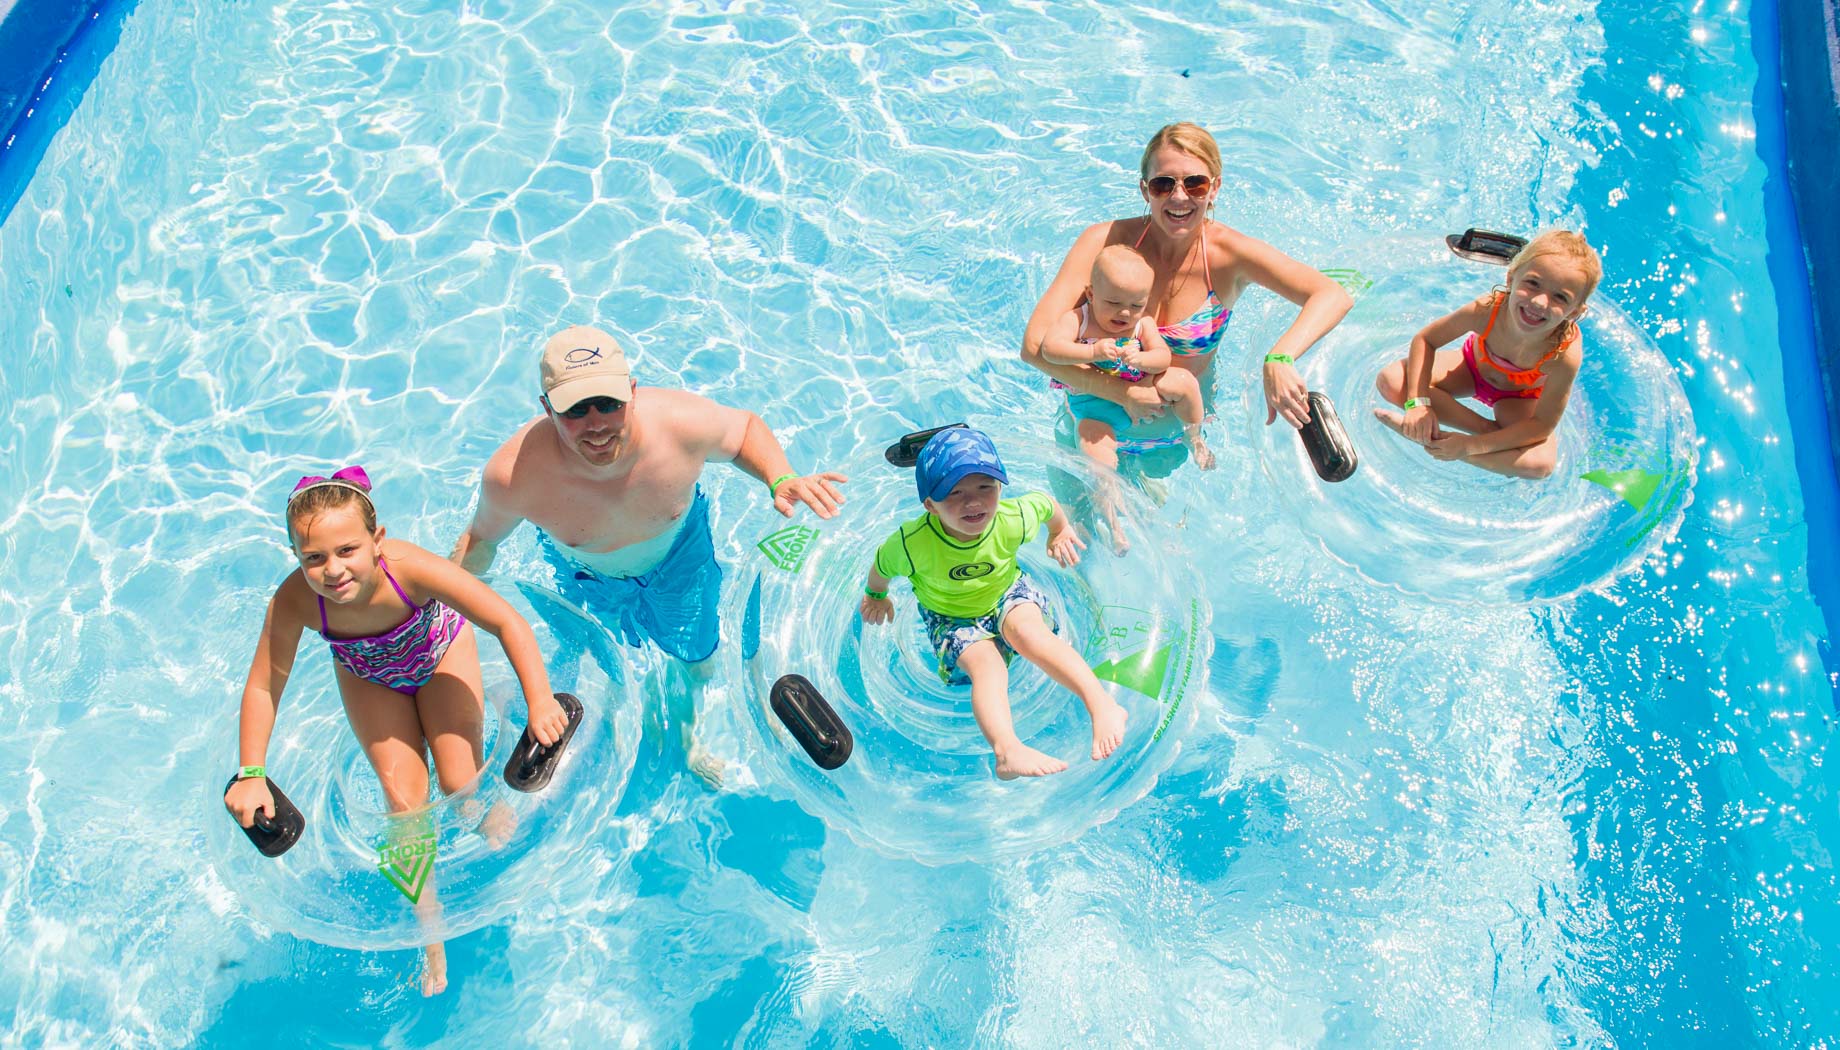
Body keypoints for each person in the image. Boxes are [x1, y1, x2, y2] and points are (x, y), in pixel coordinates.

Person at [224, 466, 570, 998]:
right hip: (369, 675)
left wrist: (540, 700)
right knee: (402, 807)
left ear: (376, 540)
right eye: (313, 558)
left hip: (437, 654)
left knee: (460, 790)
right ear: (296, 556)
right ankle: (431, 935)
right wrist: (252, 772)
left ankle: (490, 722)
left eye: (346, 550)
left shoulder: (408, 569)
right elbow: (264, 685)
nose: (332, 570)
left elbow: (506, 622)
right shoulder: (295, 599)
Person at [450, 325, 847, 784]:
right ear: (546, 408)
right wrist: (434, 608)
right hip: (586, 572)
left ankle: (688, 732)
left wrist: (780, 477)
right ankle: (624, 707)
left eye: (609, 403)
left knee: (700, 660)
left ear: (632, 394)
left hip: (679, 558)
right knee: (601, 654)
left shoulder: (680, 424)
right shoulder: (515, 474)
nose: (596, 423)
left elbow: (743, 432)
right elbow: (481, 543)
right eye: (575, 409)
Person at [1022, 122, 1352, 476]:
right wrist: (1122, 394)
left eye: (1195, 183)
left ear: (1215, 189)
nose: (1179, 197)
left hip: (1177, 435)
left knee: (1152, 520)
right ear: (1145, 190)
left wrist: (1280, 357)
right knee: (1079, 528)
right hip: (1090, 423)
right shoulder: (1104, 242)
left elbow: (1332, 294)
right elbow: (1034, 347)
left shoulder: (1230, 255)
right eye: (1163, 184)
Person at [859, 428, 1128, 780]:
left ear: (1000, 488)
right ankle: (1007, 750)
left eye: (985, 487)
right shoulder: (912, 543)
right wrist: (876, 596)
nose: (973, 502)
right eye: (954, 493)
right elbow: (881, 566)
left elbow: (1047, 505)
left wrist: (1058, 531)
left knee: (1030, 634)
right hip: (951, 617)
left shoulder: (1011, 518)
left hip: (1007, 593)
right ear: (930, 505)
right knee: (989, 667)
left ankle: (1101, 704)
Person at [1372, 230, 1602, 479]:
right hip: (1471, 369)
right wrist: (1418, 404)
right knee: (1392, 380)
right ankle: (1483, 432)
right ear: (1511, 278)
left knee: (1540, 465)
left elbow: (1542, 425)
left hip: (1518, 399)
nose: (1539, 302)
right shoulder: (1488, 310)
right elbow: (1426, 340)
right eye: (1533, 283)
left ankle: (1453, 447)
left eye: (1560, 297)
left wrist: (1468, 447)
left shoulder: (1563, 355)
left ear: (1574, 311)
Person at [1039, 243, 1216, 474]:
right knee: (1094, 450)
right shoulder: (1079, 320)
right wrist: (1092, 353)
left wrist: (1142, 359)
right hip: (1094, 406)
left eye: (1136, 305)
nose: (1125, 313)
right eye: (1114, 303)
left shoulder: (1142, 324)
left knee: (1184, 381)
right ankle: (1106, 493)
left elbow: (1163, 357)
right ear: (1091, 294)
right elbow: (1050, 350)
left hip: (1143, 390)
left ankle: (1194, 437)